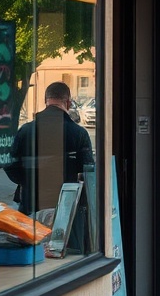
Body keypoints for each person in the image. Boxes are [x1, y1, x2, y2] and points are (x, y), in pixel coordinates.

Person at [5, 82, 94, 245]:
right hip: (65, 210)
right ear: (68, 102)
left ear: (45, 100)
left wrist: (27, 180)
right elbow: (89, 171)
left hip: (31, 205)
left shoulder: (25, 131)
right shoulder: (79, 133)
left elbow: (10, 165)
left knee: (33, 252)